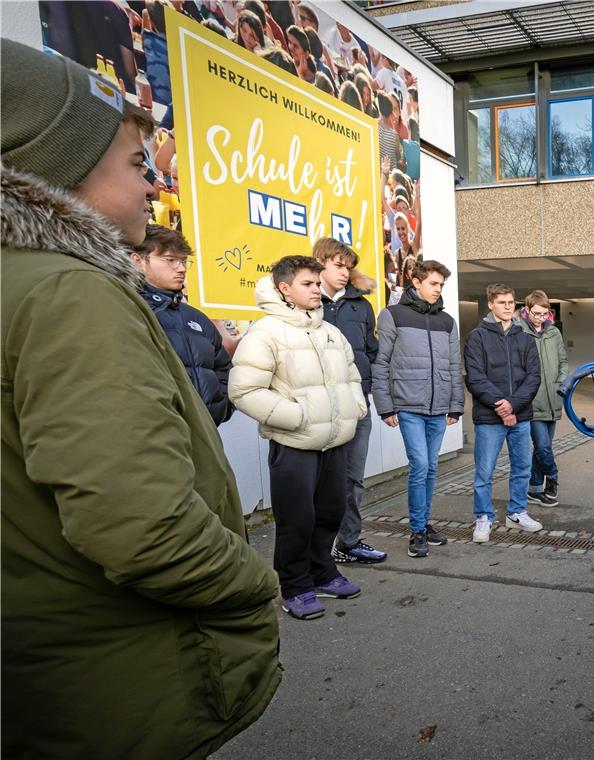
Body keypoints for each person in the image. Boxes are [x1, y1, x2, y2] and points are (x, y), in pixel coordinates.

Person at [1, 40, 280, 757]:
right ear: (57, 169)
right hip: (115, 680)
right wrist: (253, 582)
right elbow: (140, 526)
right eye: (135, 165)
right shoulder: (69, 294)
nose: (154, 186)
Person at [229, 255, 368, 620]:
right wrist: (299, 417)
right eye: (307, 284)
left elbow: (352, 376)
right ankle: (295, 587)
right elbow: (244, 391)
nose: (316, 290)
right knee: (297, 519)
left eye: (317, 283)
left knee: (330, 513)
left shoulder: (330, 331)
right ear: (284, 289)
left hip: (336, 441)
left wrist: (354, 407)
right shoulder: (266, 332)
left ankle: (323, 573)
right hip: (295, 444)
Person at [373, 260, 465, 558]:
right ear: (416, 282)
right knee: (421, 465)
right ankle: (416, 531)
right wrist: (385, 407)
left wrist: (456, 405)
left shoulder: (448, 321)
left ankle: (424, 524)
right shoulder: (392, 316)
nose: (438, 289)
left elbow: (454, 365)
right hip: (408, 405)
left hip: (439, 407)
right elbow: (381, 362)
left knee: (433, 466)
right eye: (433, 284)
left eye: (441, 285)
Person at [311, 239, 387, 565]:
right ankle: (314, 552)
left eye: (348, 267)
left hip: (356, 404)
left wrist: (366, 389)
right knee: (315, 480)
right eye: (338, 265)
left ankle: (348, 543)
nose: (345, 272)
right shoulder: (306, 304)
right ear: (319, 263)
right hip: (318, 406)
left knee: (353, 479)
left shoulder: (361, 305)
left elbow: (372, 352)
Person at [131, 223, 235, 426]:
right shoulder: (129, 309)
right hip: (155, 435)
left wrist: (219, 407)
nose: (181, 268)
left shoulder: (197, 318)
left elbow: (223, 367)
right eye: (170, 260)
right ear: (138, 261)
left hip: (206, 432)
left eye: (184, 261)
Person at [465, 283, 542, 542]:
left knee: (522, 467)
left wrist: (513, 405)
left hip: (520, 415)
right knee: (484, 471)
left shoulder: (525, 337)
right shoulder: (478, 337)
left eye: (511, 302)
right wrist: (501, 405)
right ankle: (483, 517)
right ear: (490, 304)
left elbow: (533, 378)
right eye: (502, 302)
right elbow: (475, 378)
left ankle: (517, 512)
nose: (508, 307)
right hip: (489, 417)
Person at [520, 290, 567, 508]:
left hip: (553, 399)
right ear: (527, 310)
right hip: (532, 401)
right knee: (542, 446)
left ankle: (534, 487)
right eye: (535, 313)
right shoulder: (519, 331)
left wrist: (561, 382)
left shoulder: (554, 333)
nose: (539, 318)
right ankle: (554, 477)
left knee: (542, 447)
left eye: (544, 314)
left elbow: (563, 360)